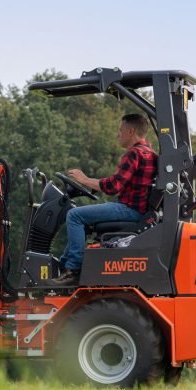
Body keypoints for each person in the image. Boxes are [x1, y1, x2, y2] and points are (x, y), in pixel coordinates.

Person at [50, 113, 158, 285]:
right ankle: (64, 266)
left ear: (130, 131)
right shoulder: (151, 154)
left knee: (74, 215)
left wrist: (84, 180)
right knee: (83, 220)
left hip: (129, 210)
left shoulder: (134, 153)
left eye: (120, 130)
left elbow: (113, 186)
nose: (118, 134)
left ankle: (73, 270)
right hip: (138, 210)